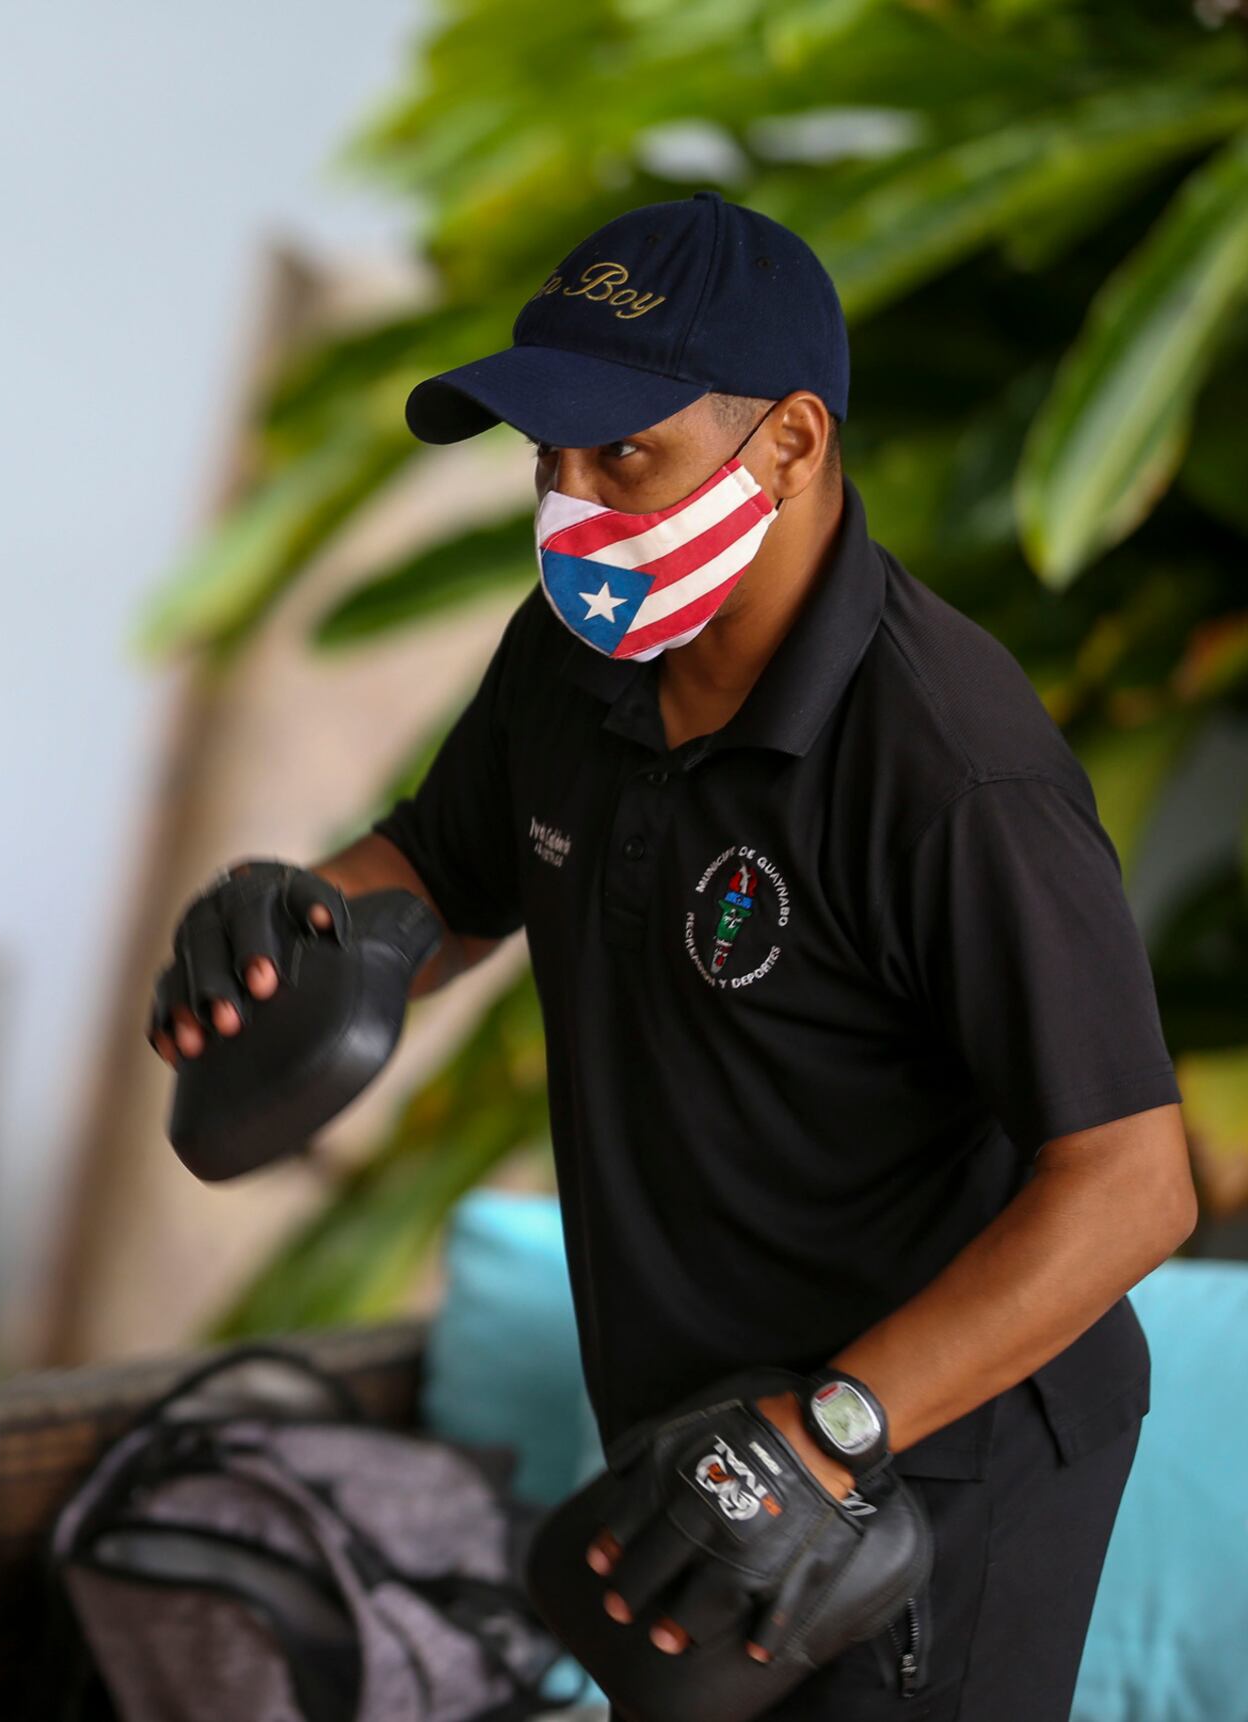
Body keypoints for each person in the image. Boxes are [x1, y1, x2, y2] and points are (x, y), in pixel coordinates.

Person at [152, 192, 1194, 1720]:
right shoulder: (581, 654)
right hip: (696, 1434)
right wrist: (296, 918)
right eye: (547, 459)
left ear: (791, 442)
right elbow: (441, 873)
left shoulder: (951, 767)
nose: (570, 502)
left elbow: (1130, 1181)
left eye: (622, 453)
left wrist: (833, 1425)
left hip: (927, 1453)